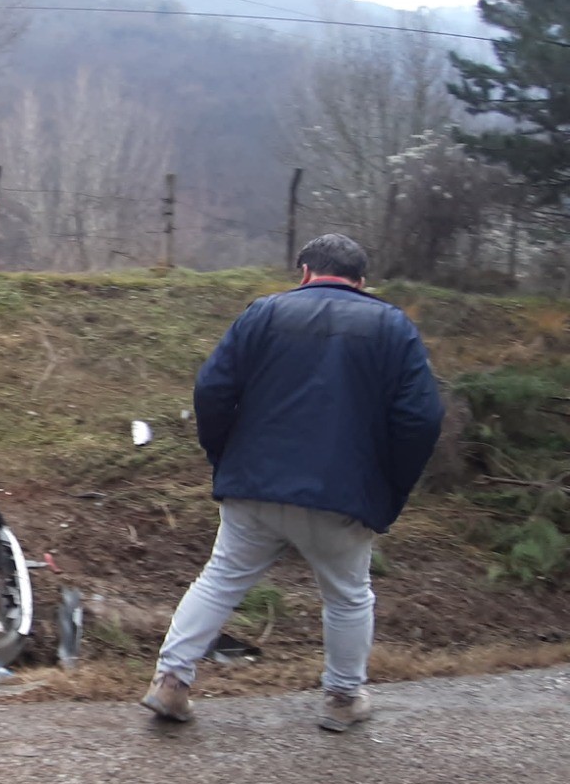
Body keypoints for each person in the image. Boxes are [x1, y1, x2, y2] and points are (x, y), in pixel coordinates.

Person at [141, 233, 444, 731]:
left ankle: (171, 683)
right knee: (348, 595)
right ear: (361, 282)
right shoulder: (392, 326)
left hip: (254, 486)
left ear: (304, 272)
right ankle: (342, 700)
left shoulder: (263, 313)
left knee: (219, 581)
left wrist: (227, 461)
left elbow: (211, 391)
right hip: (343, 495)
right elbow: (422, 418)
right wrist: (388, 489)